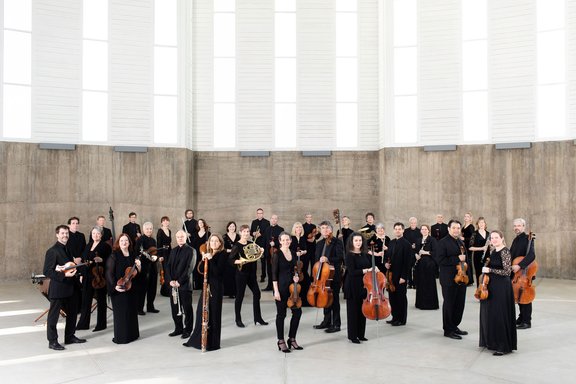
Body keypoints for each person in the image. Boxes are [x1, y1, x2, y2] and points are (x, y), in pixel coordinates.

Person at [43, 225, 86, 351]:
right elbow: (47, 271)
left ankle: (70, 336)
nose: (65, 235)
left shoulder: (69, 249)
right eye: (62, 233)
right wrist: (64, 275)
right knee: (54, 316)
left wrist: (77, 273)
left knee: (72, 314)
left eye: (66, 233)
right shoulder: (52, 251)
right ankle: (52, 341)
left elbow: (71, 267)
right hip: (58, 289)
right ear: (57, 234)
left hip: (71, 288)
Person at [184, 233, 227, 351]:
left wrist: (211, 259)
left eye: (216, 241)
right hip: (206, 286)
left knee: (213, 314)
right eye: (211, 241)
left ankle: (212, 343)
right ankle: (197, 340)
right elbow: (201, 271)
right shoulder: (208, 253)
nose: (214, 243)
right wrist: (203, 260)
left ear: (220, 243)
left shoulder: (223, 254)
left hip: (216, 288)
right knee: (201, 313)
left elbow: (218, 272)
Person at [479, 230, 517, 356]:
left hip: (502, 286)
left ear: (502, 238)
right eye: (492, 238)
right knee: (491, 314)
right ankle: (492, 342)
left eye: (496, 237)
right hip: (492, 285)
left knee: (500, 314)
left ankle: (503, 346)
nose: (494, 240)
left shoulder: (505, 251)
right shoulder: (493, 251)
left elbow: (507, 272)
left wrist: (490, 269)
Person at [230, 225, 268, 328]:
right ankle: (238, 319)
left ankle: (258, 318)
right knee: (240, 296)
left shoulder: (252, 244)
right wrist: (240, 261)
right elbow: (230, 260)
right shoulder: (237, 246)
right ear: (240, 232)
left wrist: (261, 252)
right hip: (241, 274)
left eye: (248, 231)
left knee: (257, 293)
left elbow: (256, 256)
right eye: (244, 232)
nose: (246, 233)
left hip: (251, 274)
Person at [436, 220, 468, 339]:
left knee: (459, 305)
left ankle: (454, 326)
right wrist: (456, 258)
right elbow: (440, 260)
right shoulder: (442, 243)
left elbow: (465, 259)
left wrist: (466, 276)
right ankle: (448, 330)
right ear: (449, 229)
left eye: (458, 228)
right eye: (453, 228)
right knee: (449, 304)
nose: (456, 230)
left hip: (462, 278)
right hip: (449, 280)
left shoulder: (460, 241)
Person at [106, 233, 141, 344]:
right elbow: (109, 273)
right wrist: (114, 287)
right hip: (119, 288)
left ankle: (133, 335)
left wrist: (139, 266)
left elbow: (136, 273)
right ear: (118, 243)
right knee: (121, 314)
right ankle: (122, 337)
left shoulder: (133, 254)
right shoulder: (114, 255)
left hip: (131, 287)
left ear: (129, 242)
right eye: (122, 241)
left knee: (131, 312)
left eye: (126, 241)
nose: (124, 243)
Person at [272, 232, 303, 353]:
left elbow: (295, 270)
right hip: (281, 288)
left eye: (288, 240)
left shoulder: (293, 254)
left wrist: (296, 277)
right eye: (283, 240)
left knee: (297, 313)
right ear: (280, 241)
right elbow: (273, 274)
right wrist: (276, 291)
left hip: (292, 289)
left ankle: (292, 338)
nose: (286, 242)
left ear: (290, 241)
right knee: (281, 315)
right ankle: (281, 341)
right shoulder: (276, 254)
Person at [76, 226, 112, 331]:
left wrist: (102, 260)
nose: (95, 235)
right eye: (93, 233)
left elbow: (110, 261)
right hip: (87, 276)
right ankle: (83, 324)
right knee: (86, 300)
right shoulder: (88, 245)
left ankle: (101, 324)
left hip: (99, 277)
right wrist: (82, 274)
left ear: (101, 235)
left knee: (101, 301)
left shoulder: (105, 246)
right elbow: (83, 260)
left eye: (97, 233)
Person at [312, 220, 344, 333]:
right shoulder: (319, 243)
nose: (324, 230)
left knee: (334, 300)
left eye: (326, 228)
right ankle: (326, 322)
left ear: (331, 229)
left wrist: (328, 259)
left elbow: (340, 258)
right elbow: (316, 260)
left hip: (334, 276)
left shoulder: (337, 242)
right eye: (322, 228)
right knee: (325, 299)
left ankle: (336, 324)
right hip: (323, 276)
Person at [344, 232, 373, 343]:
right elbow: (352, 272)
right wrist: (366, 270)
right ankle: (353, 336)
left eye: (360, 240)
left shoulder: (364, 254)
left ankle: (361, 334)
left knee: (362, 310)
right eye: (356, 240)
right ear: (352, 242)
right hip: (352, 285)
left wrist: (374, 269)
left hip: (364, 285)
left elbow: (369, 266)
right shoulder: (349, 255)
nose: (358, 243)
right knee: (353, 311)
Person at [166, 230, 194, 339]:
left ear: (185, 237)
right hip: (173, 285)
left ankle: (188, 330)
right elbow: (167, 266)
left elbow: (189, 269)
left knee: (187, 309)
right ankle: (178, 328)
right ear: (176, 238)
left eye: (182, 236)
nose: (180, 238)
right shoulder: (173, 250)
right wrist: (170, 281)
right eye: (178, 237)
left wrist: (179, 282)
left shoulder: (191, 251)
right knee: (175, 308)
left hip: (185, 285)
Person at [509, 218, 536, 330]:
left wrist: (519, 266)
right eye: (515, 226)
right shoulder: (515, 240)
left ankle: (527, 321)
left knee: (524, 296)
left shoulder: (528, 239)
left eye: (519, 226)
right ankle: (521, 317)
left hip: (524, 272)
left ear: (523, 227)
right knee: (518, 295)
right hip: (516, 274)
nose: (516, 228)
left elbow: (531, 256)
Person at [384, 223, 412, 326]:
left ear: (403, 230)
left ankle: (401, 319)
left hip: (401, 276)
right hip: (391, 275)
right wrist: (385, 264)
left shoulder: (407, 244)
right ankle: (394, 317)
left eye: (399, 229)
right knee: (392, 297)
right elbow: (387, 257)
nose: (397, 231)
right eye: (396, 229)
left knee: (401, 298)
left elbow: (408, 263)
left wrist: (404, 277)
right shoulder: (391, 243)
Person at [134, 222, 159, 314]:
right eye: (147, 229)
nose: (149, 230)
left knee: (152, 288)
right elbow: (137, 253)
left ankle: (150, 306)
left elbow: (156, 252)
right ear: (143, 230)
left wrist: (156, 258)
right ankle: (139, 308)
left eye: (150, 229)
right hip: (144, 267)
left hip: (153, 267)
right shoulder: (140, 240)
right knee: (142, 288)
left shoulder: (153, 240)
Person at [414, 224, 439, 310]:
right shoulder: (418, 240)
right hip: (420, 264)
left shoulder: (432, 240)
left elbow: (436, 252)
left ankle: (430, 304)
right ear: (420, 231)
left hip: (429, 264)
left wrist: (425, 252)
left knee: (429, 283)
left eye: (425, 229)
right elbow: (416, 250)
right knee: (421, 283)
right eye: (422, 229)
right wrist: (416, 255)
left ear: (428, 230)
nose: (424, 231)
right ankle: (420, 303)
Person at [290, 222, 309, 306]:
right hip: (294, 261)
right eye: (297, 227)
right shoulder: (291, 238)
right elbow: (289, 249)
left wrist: (303, 251)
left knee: (306, 281)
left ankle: (305, 301)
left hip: (302, 262)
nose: (299, 229)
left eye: (300, 227)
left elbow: (306, 249)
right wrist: (295, 253)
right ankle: (294, 300)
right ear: (294, 229)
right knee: (294, 280)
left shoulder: (303, 238)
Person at [263, 214, 284, 291]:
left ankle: (277, 286)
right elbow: (264, 241)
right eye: (272, 218)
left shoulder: (281, 229)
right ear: (270, 219)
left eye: (275, 219)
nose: (274, 220)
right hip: (268, 253)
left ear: (277, 220)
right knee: (269, 270)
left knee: (277, 269)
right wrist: (264, 251)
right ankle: (269, 286)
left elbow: (282, 241)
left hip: (277, 253)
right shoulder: (267, 229)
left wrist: (275, 243)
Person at [250, 208, 270, 282]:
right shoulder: (254, 222)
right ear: (256, 214)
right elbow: (251, 232)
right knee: (254, 260)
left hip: (263, 243)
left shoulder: (267, 222)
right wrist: (253, 233)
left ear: (263, 214)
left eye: (261, 213)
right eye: (258, 213)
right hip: (255, 243)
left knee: (263, 261)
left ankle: (263, 276)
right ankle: (253, 276)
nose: (259, 214)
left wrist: (260, 234)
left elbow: (267, 233)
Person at [469, 217, 490, 288]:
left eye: (483, 222)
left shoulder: (488, 234)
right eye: (480, 222)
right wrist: (481, 248)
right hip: (477, 257)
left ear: (485, 224)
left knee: (487, 275)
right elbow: (470, 247)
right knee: (479, 275)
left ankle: (486, 293)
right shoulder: (474, 234)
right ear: (477, 224)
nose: (481, 224)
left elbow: (491, 247)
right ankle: (480, 293)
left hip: (487, 257)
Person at [192, 219, 210, 290]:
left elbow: (210, 244)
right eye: (199, 223)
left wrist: (207, 243)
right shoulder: (195, 233)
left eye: (202, 222)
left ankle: (204, 284)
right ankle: (196, 284)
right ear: (198, 224)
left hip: (204, 253)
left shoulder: (208, 233)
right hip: (196, 252)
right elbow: (193, 244)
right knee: (196, 268)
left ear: (204, 223)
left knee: (203, 268)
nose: (201, 224)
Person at [403, 217, 422, 289]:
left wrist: (416, 246)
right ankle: (409, 283)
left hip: (417, 252)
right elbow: (404, 241)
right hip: (408, 252)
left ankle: (415, 283)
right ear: (409, 223)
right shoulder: (405, 231)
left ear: (416, 223)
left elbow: (421, 241)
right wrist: (410, 246)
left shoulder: (420, 231)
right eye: (412, 223)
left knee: (416, 268)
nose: (413, 224)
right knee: (408, 268)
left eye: (414, 223)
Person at [157, 216, 172, 297]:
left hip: (169, 252)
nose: (166, 222)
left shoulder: (169, 230)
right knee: (165, 272)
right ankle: (164, 291)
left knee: (169, 271)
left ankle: (167, 289)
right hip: (163, 253)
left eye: (167, 221)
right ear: (161, 222)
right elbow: (158, 245)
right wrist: (160, 256)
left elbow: (169, 244)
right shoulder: (160, 231)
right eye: (164, 221)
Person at [223, 221, 238, 298]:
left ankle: (236, 292)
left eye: (233, 226)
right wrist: (231, 250)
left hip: (236, 258)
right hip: (227, 258)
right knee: (229, 275)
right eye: (230, 226)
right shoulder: (224, 237)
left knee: (236, 275)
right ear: (228, 227)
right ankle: (230, 292)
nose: (232, 228)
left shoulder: (238, 236)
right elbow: (222, 248)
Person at [462, 212, 476, 285]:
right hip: (463, 247)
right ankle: (465, 278)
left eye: (468, 216)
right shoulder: (464, 226)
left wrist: (463, 238)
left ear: (470, 218)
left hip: (468, 247)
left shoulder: (471, 227)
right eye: (465, 216)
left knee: (468, 262)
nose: (466, 217)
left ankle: (469, 281)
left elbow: (472, 239)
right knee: (464, 263)